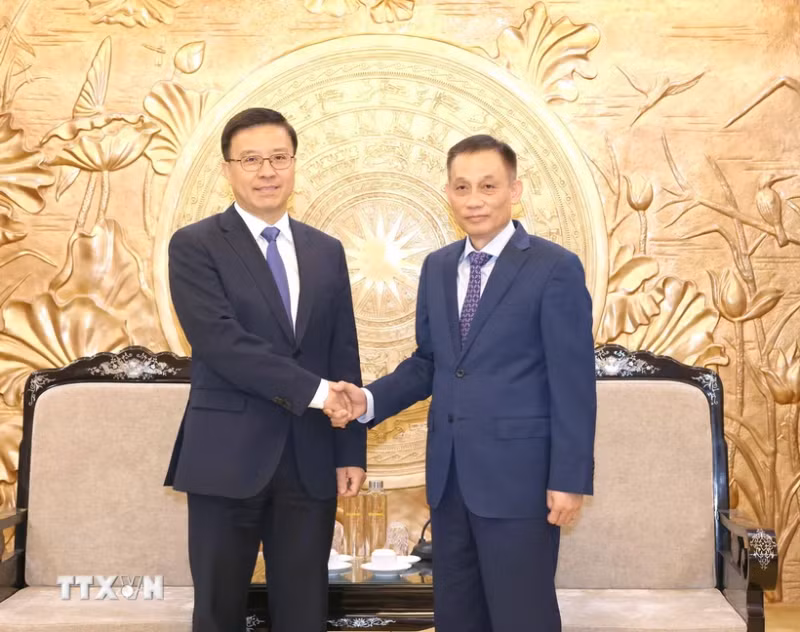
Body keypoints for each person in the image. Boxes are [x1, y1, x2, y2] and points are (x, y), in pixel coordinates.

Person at [329, 135, 596, 632]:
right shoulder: (437, 267)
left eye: (488, 186)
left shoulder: (554, 267)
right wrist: (367, 400)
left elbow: (574, 382)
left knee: (523, 616)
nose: (474, 199)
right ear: (447, 193)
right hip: (450, 481)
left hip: (522, 482)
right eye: (462, 186)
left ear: (514, 191)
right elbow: (430, 363)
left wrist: (569, 479)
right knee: (457, 616)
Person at [164, 107, 366, 632]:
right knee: (218, 611)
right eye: (250, 159)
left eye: (278, 157)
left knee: (304, 613)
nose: (266, 170)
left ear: (295, 164)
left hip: (311, 456)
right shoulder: (195, 245)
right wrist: (320, 394)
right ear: (228, 169)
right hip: (225, 457)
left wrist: (350, 451)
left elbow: (343, 351)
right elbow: (223, 344)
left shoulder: (327, 251)